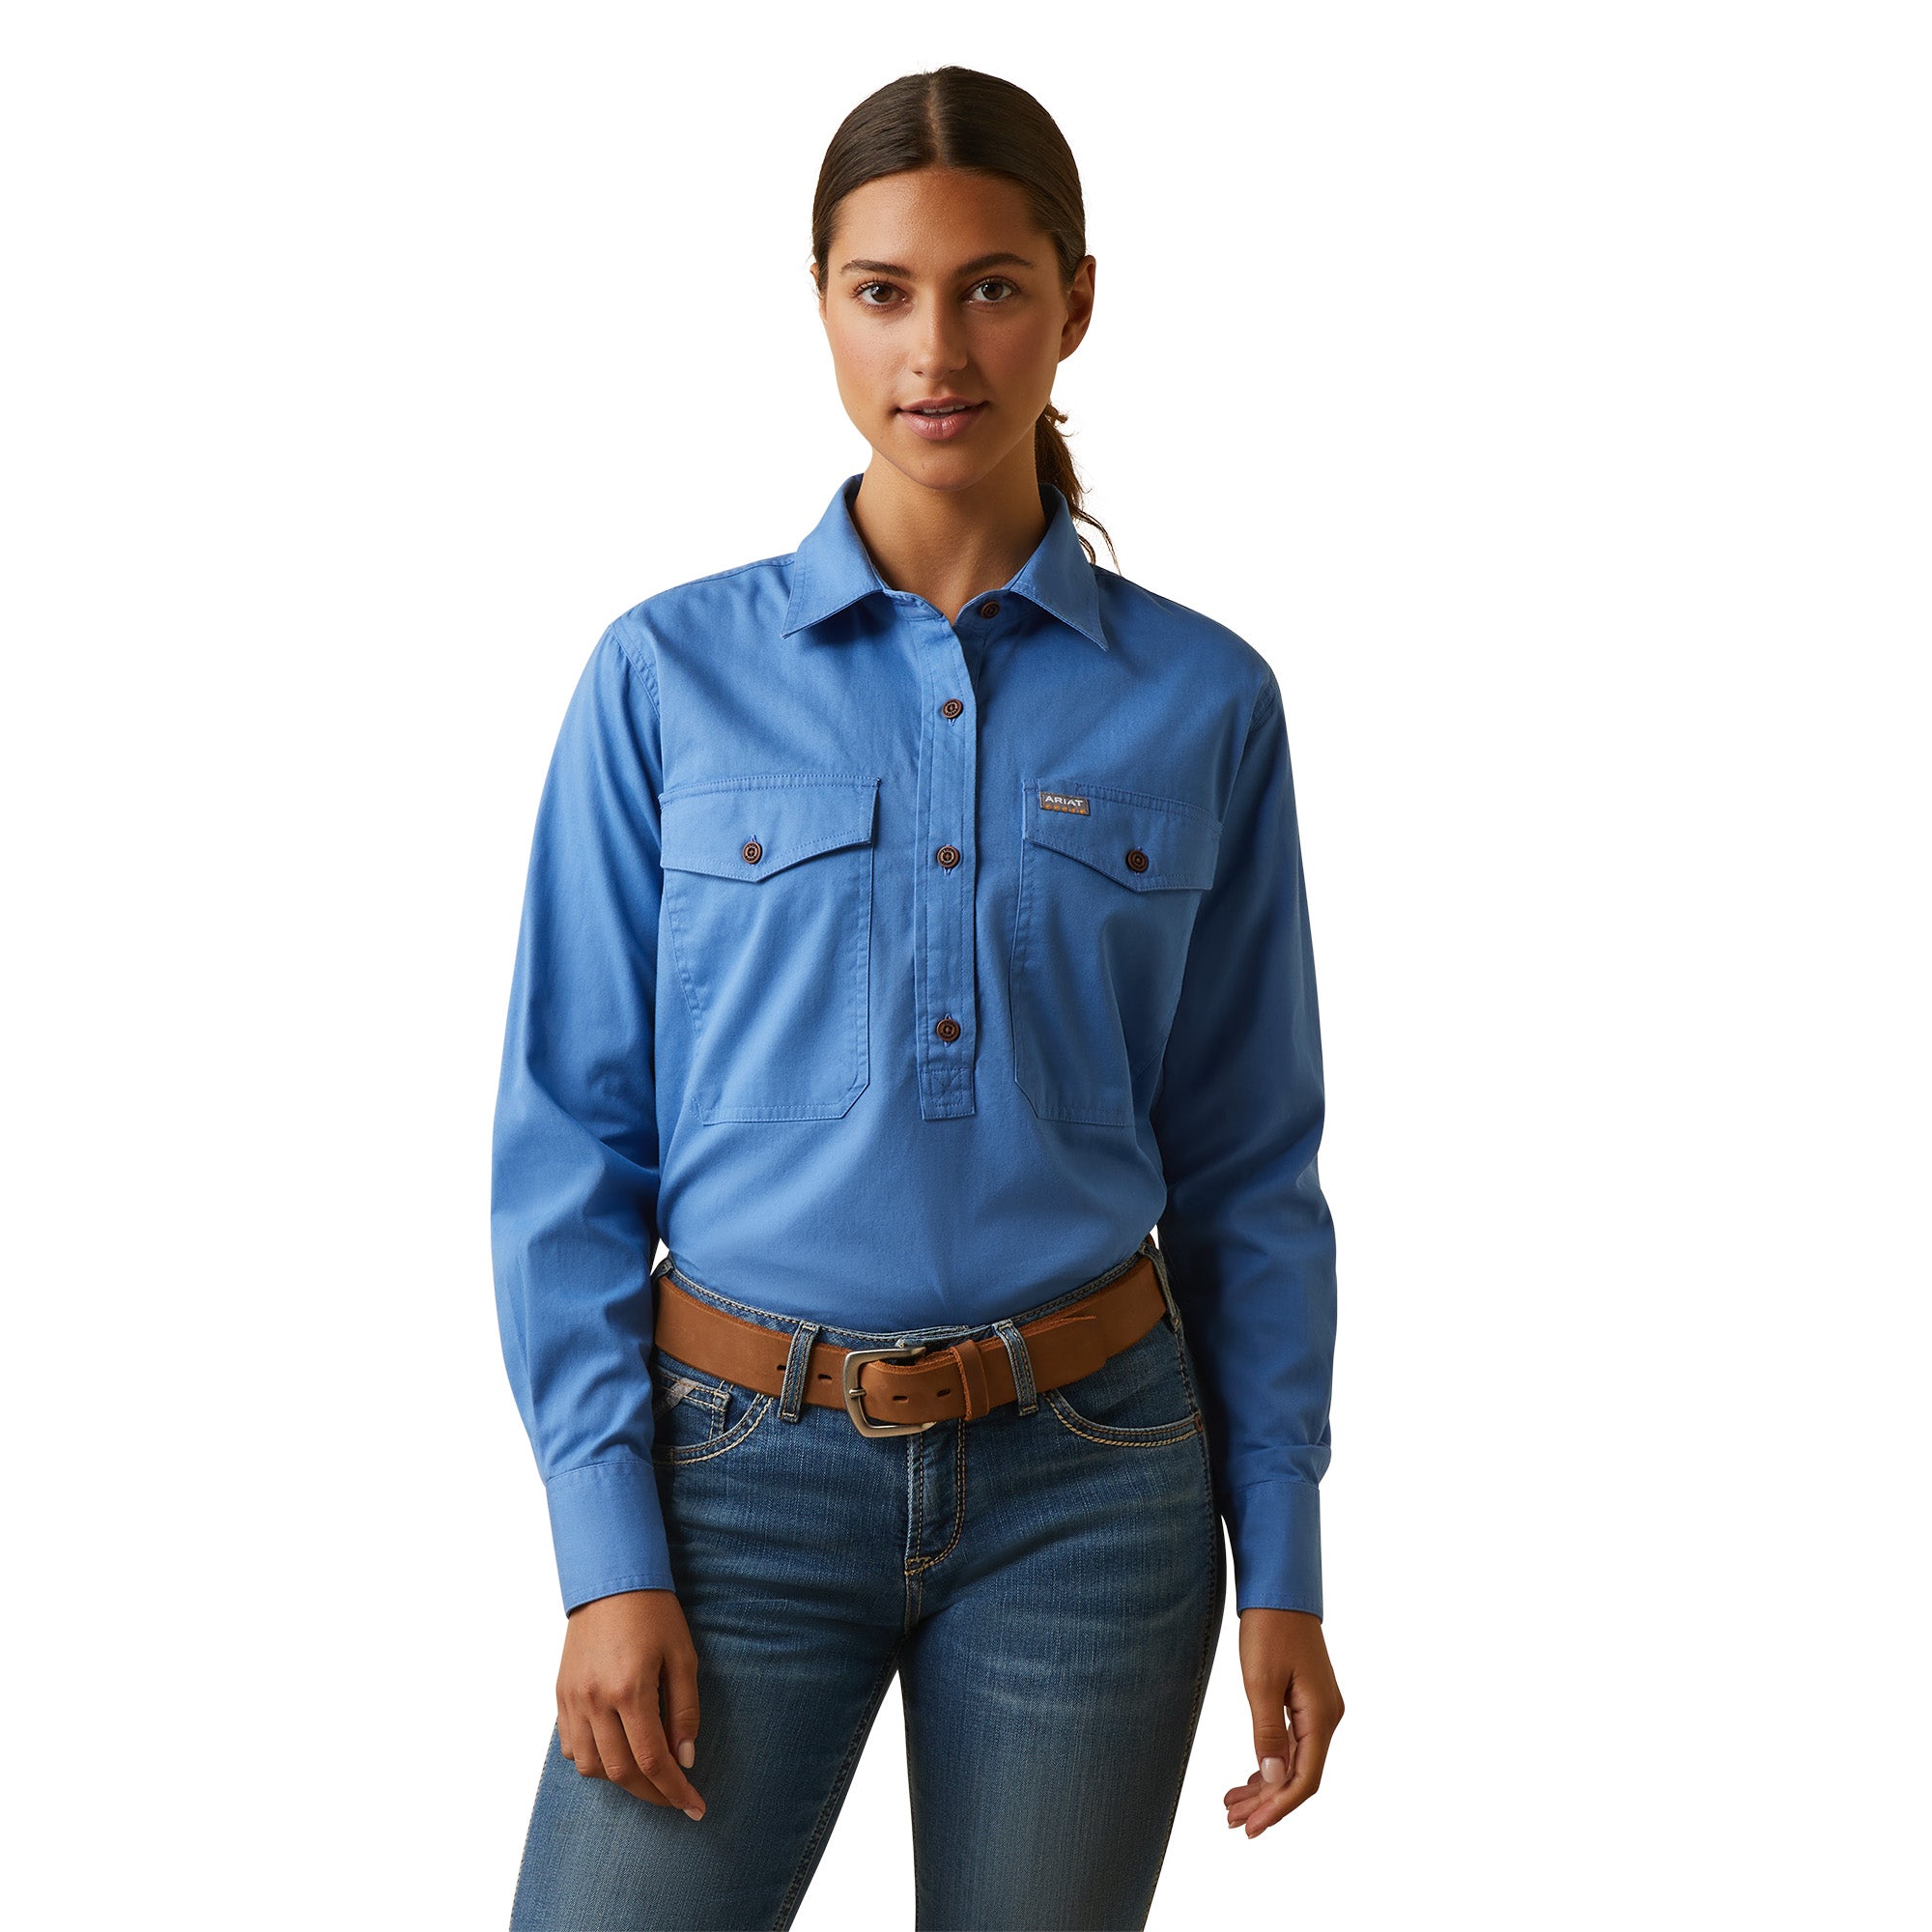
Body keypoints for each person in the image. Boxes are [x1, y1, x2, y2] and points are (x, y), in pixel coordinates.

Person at [492, 64, 1343, 1931]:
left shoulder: (1206, 703)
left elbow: (1251, 1165)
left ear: (1077, 302)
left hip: (1093, 1491)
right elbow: (568, 1142)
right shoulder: (665, 677)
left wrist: (1280, 1552)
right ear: (820, 303)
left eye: (992, 288)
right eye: (881, 291)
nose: (936, 349)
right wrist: (605, 1552)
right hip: (728, 1484)